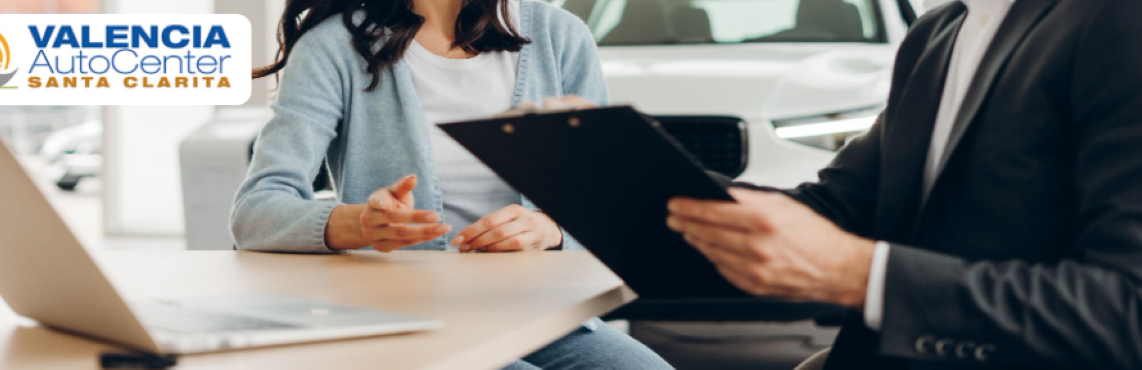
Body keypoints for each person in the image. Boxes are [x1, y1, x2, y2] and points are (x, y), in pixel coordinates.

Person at [562, 0, 1142, 368]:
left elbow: (1125, 314)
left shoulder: (1118, 21)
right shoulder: (939, 33)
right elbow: (835, 208)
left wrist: (863, 275)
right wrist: (629, 174)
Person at [230, 0, 672, 368]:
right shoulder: (334, 47)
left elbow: (609, 208)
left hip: (545, 315)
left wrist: (551, 229)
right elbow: (256, 212)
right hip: (405, 322)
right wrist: (358, 224)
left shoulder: (560, 36)